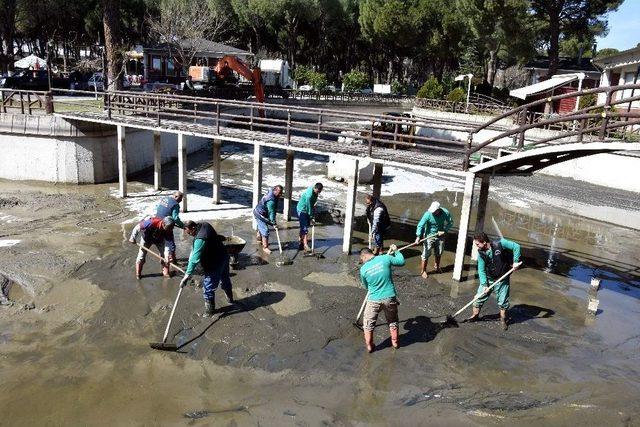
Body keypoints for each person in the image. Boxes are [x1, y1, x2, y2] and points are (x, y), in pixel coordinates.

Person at [467, 232, 521, 330]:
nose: (477, 247)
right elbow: (481, 270)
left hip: (502, 278)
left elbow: (516, 246)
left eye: (477, 244)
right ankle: (475, 316)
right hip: (489, 278)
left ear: (484, 242)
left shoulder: (500, 244)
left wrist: (516, 261)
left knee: (503, 302)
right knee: (478, 299)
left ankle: (503, 319)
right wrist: (484, 284)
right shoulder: (481, 254)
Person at [180, 220, 233, 316]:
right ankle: (230, 299)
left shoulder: (200, 238)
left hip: (214, 263)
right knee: (225, 279)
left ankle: (210, 311)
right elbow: (213, 236)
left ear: (192, 228)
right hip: (223, 256)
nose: (190, 235)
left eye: (189, 232)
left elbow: (195, 258)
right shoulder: (205, 224)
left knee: (208, 287)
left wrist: (187, 274)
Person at [359, 245, 405, 353]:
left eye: (362, 259)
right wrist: (396, 251)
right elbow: (401, 261)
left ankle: (370, 346)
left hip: (373, 299)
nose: (362, 262)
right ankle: (395, 342)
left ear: (364, 256)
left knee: (368, 324)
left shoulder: (363, 269)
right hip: (389, 297)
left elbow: (366, 286)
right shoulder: (385, 258)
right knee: (392, 320)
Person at [415, 201, 453, 279]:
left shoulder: (445, 213)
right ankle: (423, 271)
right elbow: (420, 225)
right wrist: (418, 236)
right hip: (429, 236)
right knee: (426, 253)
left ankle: (437, 266)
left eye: (434, 211)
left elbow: (450, 222)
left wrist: (445, 230)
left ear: (438, 210)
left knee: (439, 252)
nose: (433, 212)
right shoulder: (428, 214)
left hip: (440, 234)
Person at [155, 191, 184, 275]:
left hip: (157, 223)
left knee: (161, 243)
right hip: (166, 225)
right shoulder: (175, 205)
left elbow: (158, 208)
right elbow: (175, 218)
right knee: (171, 243)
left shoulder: (165, 198)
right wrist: (182, 226)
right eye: (180, 198)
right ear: (175, 196)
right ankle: (173, 261)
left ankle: (161, 259)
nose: (181, 200)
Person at [253, 185, 283, 255]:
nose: (280, 194)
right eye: (279, 193)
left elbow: (272, 210)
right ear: (275, 190)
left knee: (261, 227)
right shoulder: (271, 201)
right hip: (259, 214)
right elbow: (271, 213)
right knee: (265, 230)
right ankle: (265, 247)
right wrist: (274, 223)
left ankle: (259, 237)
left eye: (281, 193)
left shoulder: (272, 191)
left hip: (260, 210)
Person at [297, 182, 323, 252]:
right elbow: (308, 208)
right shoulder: (309, 195)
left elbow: (312, 205)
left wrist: (313, 206)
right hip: (302, 210)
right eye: (317, 191)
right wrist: (311, 217)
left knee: (304, 227)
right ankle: (305, 245)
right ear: (315, 188)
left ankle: (300, 241)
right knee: (305, 228)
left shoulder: (314, 189)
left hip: (308, 208)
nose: (318, 193)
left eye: (319, 192)